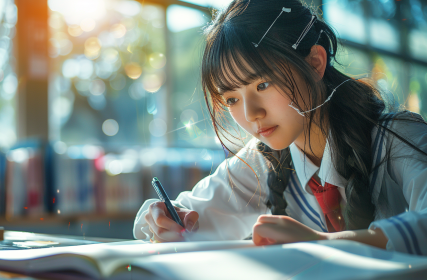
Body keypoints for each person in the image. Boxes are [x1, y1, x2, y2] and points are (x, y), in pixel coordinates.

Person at [133, 0, 427, 255]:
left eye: (263, 84)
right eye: (232, 98)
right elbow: (177, 215)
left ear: (314, 63)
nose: (251, 114)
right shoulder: (262, 161)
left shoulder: (399, 139)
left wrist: (324, 244)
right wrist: (162, 219)